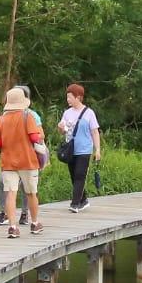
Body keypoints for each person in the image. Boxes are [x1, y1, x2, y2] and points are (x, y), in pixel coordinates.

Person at [0, 87, 46, 238]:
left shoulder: (1, 120)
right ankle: (34, 224)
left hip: (8, 161)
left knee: (10, 194)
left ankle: (12, 227)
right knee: (31, 193)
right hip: (27, 160)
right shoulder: (27, 116)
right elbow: (35, 138)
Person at [58, 83, 102, 212]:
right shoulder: (67, 113)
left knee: (79, 175)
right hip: (71, 150)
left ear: (78, 97)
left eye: (70, 97)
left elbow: (95, 132)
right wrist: (60, 128)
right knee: (73, 176)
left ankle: (75, 203)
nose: (68, 100)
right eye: (67, 97)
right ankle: (83, 200)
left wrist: (97, 149)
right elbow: (63, 131)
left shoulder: (89, 113)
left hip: (84, 150)